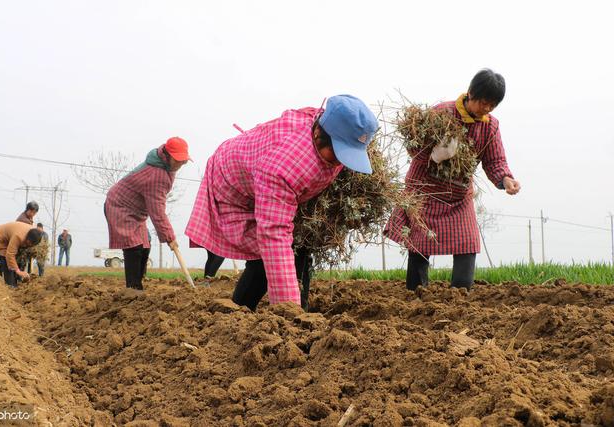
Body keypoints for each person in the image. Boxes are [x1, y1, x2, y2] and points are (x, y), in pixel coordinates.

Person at [185, 95, 378, 310]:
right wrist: (290, 312)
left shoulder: (325, 124)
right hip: (232, 186)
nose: (342, 162)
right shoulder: (285, 167)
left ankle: (297, 313)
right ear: (319, 134)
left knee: (302, 246)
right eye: (339, 153)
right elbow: (273, 234)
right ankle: (238, 313)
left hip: (260, 170)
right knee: (266, 255)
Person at [385, 69, 521, 291]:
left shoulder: (490, 126)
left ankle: (460, 295)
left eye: (492, 106)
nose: (487, 109)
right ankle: (416, 294)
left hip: (458, 196)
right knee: (420, 243)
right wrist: (434, 154)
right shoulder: (441, 113)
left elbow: (495, 160)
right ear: (470, 94)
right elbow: (414, 145)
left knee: (468, 243)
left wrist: (505, 179)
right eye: (484, 103)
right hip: (425, 190)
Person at [105, 137, 190, 290]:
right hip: (120, 206)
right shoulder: (157, 175)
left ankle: (138, 280)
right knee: (134, 247)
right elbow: (157, 211)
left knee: (145, 245)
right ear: (167, 155)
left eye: (183, 160)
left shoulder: (165, 166)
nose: (181, 164)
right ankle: (133, 289)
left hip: (135, 209)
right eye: (178, 160)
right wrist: (170, 237)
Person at [0, 222, 42, 288]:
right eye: (29, 244)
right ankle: (10, 284)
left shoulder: (33, 232)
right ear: (28, 239)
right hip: (0, 238)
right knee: (7, 260)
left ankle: (17, 280)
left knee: (18, 259)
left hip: (11, 237)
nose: (30, 246)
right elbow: (10, 255)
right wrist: (18, 271)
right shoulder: (18, 236)